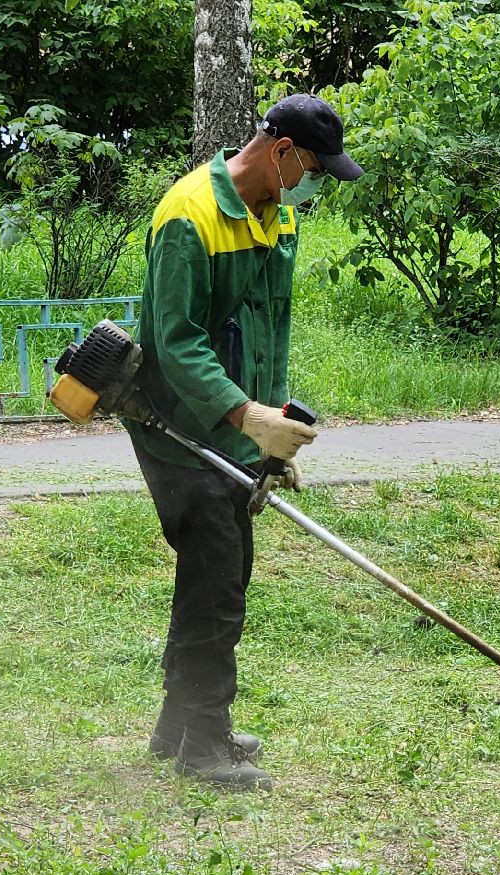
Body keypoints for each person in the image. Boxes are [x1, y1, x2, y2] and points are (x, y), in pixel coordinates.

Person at [127, 94, 362, 791]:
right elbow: (176, 342)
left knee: (213, 574)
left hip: (233, 431)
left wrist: (271, 433)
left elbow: (267, 328)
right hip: (177, 428)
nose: (315, 183)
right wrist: (242, 415)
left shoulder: (277, 214)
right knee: (219, 583)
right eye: (315, 168)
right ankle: (204, 744)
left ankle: (178, 726)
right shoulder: (188, 216)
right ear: (283, 152)